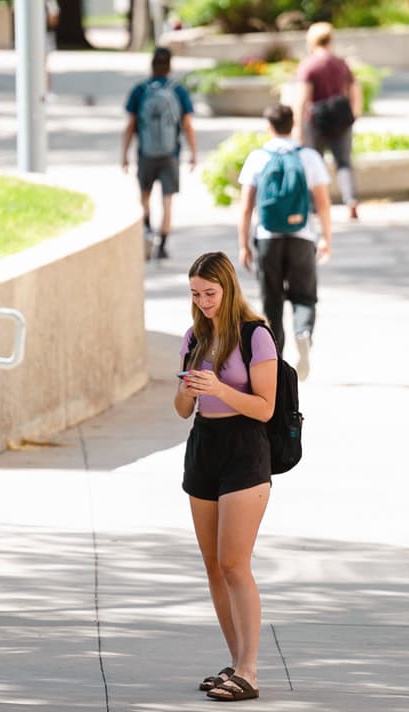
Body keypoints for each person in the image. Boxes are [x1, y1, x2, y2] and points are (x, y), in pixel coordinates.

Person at [174, 252, 278, 702]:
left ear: (228, 288)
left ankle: (250, 671)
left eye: (209, 293)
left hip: (245, 452)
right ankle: (237, 663)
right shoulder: (194, 337)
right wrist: (187, 388)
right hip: (204, 448)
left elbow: (265, 408)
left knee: (235, 564)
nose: (202, 302)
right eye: (195, 294)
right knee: (215, 567)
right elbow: (181, 411)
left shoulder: (256, 337)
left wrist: (219, 388)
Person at [238, 103, 332, 381]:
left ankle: (275, 361)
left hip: (267, 238)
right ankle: (303, 332)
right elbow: (323, 204)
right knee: (304, 295)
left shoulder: (258, 157)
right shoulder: (309, 157)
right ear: (294, 125)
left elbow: (245, 207)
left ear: (269, 127)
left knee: (272, 301)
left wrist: (244, 244)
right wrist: (326, 238)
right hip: (302, 237)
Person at [122, 47, 198, 260]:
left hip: (146, 153)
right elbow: (188, 125)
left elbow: (130, 125)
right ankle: (162, 245)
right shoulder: (178, 91)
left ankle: (147, 232)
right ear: (169, 66)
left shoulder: (140, 90)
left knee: (144, 196)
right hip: (170, 154)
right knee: (167, 201)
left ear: (152, 65)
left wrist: (124, 155)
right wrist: (194, 152)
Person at [293, 21, 363, 220]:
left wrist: (298, 126)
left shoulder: (309, 65)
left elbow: (302, 99)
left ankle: (314, 206)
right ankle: (351, 200)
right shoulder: (340, 63)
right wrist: (354, 114)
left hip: (316, 121)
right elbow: (354, 90)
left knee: (314, 162)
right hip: (341, 119)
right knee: (344, 162)